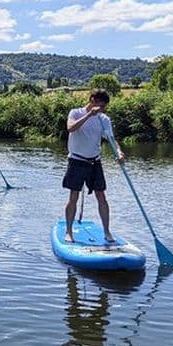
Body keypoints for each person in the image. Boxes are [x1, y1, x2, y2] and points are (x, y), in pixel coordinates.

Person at [62, 89, 122, 243]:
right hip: (76, 160)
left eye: (104, 107)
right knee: (73, 196)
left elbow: (111, 139)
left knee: (101, 196)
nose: (101, 109)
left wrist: (119, 152)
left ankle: (107, 232)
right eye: (100, 105)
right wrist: (89, 115)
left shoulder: (104, 119)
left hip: (95, 161)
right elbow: (70, 128)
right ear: (92, 100)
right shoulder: (75, 113)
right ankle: (69, 232)